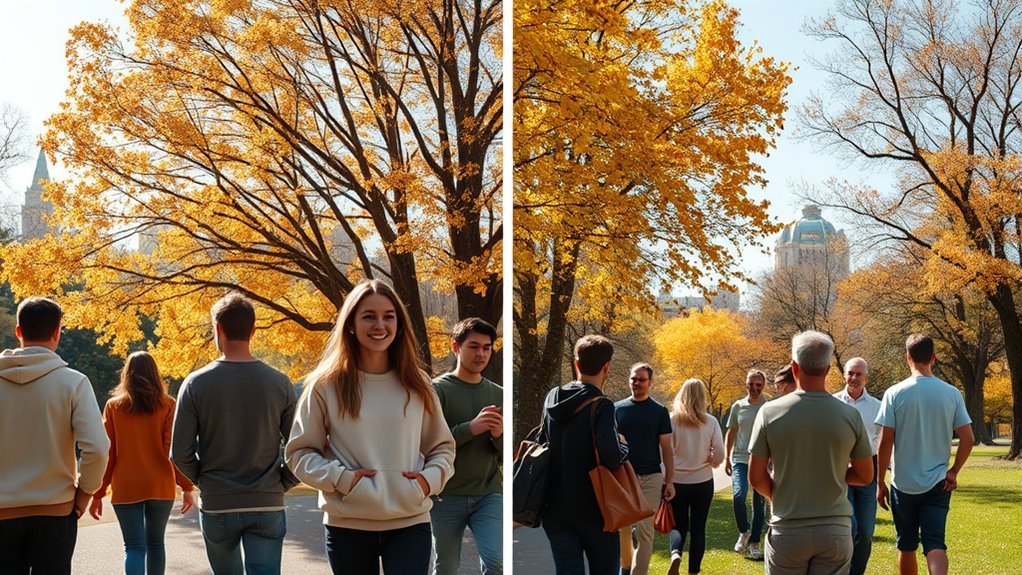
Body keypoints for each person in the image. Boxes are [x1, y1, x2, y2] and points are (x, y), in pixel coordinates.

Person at [286, 280, 456, 574]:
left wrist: (426, 482)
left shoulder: (418, 384)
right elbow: (299, 453)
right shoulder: (325, 385)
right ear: (351, 324)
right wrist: (342, 479)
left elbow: (442, 448)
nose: (380, 325)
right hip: (347, 525)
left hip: (410, 522)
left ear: (399, 324)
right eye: (369, 316)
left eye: (389, 316)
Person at [171, 292, 299, 575]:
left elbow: (179, 452)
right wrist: (283, 483)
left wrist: (205, 481)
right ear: (253, 331)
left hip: (218, 503)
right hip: (266, 500)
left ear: (217, 329)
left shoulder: (195, 384)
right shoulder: (280, 383)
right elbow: (299, 448)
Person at [748, 330, 874, 575]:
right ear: (828, 369)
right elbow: (865, 475)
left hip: (788, 527)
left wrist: (777, 494)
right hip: (835, 529)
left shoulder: (769, 413)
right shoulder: (850, 416)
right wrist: (833, 472)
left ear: (794, 367)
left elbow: (756, 476)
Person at [0, 297, 110, 574]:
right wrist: (85, 493)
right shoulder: (73, 382)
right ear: (57, 333)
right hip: (55, 509)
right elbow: (97, 448)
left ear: (18, 331)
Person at [89, 351, 196, 575]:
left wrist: (98, 492)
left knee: (134, 547)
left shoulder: (114, 407)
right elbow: (173, 450)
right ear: (155, 374)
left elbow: (109, 453)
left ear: (126, 374)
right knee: (156, 545)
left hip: (127, 485)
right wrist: (186, 486)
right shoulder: (168, 404)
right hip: (160, 485)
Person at [875, 334, 974, 575]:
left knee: (906, 546)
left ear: (907, 357)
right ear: (934, 358)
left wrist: (880, 482)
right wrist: (953, 471)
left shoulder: (894, 393)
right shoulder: (951, 393)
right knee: (935, 544)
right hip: (938, 481)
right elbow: (968, 439)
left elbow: (885, 442)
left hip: (903, 483)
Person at [540, 334, 629, 575]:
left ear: (576, 363)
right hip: (595, 509)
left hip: (554, 507)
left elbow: (542, 442)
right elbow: (611, 456)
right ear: (607, 367)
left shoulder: (552, 398)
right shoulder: (602, 405)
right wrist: (624, 447)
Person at [430, 318, 503, 575]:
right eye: (473, 346)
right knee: (446, 567)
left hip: (489, 493)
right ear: (456, 348)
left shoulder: (499, 393)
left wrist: (498, 435)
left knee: (497, 561)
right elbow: (428, 445)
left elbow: (505, 454)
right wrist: (469, 429)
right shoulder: (436, 390)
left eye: (486, 347)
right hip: (445, 495)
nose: (481, 353)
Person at [615, 363, 673, 575]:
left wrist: (670, 481)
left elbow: (667, 448)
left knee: (645, 530)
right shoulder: (616, 409)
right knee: (623, 529)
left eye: (641, 379)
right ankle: (625, 569)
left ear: (650, 383)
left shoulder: (659, 411)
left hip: (651, 477)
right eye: (633, 378)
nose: (636, 383)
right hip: (623, 477)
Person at [666, 378, 724, 575]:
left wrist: (667, 479)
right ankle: (693, 571)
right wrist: (712, 461)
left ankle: (675, 553)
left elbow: (665, 452)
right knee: (698, 528)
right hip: (703, 481)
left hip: (677, 481)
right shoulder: (711, 421)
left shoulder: (672, 420)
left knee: (678, 525)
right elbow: (720, 453)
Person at [834, 357, 882, 575]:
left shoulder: (877, 407)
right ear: (844, 375)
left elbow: (882, 443)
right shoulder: (832, 403)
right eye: (850, 373)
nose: (853, 377)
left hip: (868, 472)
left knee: (865, 531)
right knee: (849, 527)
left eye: (858, 374)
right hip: (840, 471)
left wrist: (882, 479)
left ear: (866, 378)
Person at [724, 369, 768, 559]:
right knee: (738, 495)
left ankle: (755, 543)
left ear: (763, 386)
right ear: (746, 384)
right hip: (740, 458)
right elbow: (732, 431)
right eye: (751, 384)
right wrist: (727, 457)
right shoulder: (738, 406)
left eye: (758, 385)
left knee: (759, 503)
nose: (754, 388)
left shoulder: (768, 407)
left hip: (761, 459)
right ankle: (744, 531)